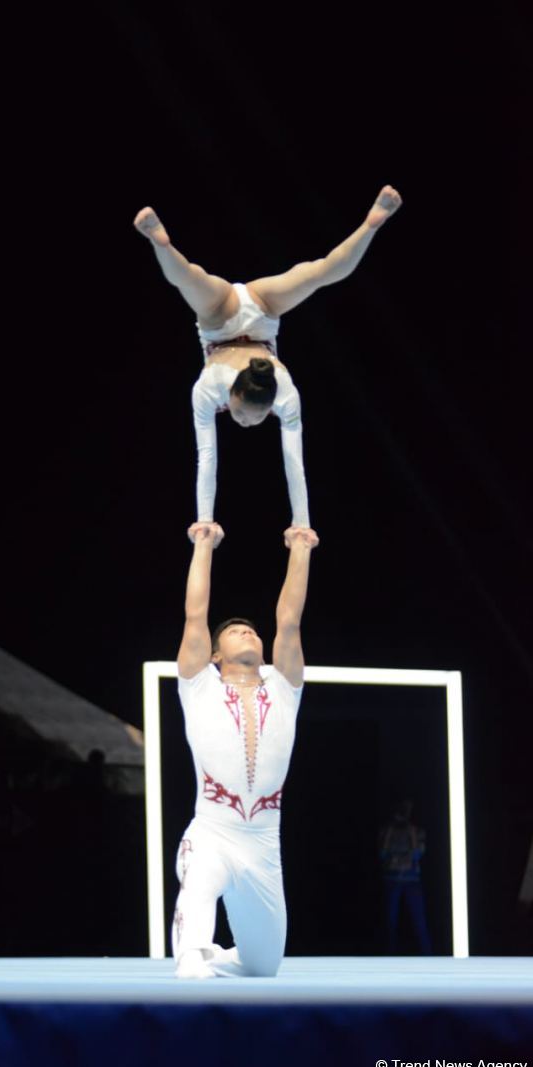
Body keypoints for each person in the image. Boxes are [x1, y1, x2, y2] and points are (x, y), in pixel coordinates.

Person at [134, 187, 402, 529]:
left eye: (243, 417)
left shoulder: (212, 391)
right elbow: (291, 462)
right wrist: (301, 524)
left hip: (222, 319)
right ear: (240, 397)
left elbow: (211, 459)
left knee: (191, 279)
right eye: (251, 418)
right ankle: (372, 225)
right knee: (315, 274)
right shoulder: (275, 393)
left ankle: (162, 245)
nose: (244, 422)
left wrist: (205, 520)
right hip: (257, 316)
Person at [172, 519, 319, 978]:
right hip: (212, 835)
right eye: (235, 632)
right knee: (192, 966)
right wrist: (203, 545)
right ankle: (192, 953)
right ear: (214, 655)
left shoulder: (284, 687)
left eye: (252, 631)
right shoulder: (199, 686)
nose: (248, 633)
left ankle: (216, 955)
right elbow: (196, 616)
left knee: (263, 967)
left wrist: (301, 548)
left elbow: (289, 620)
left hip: (261, 844)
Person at [379, 798, 432, 955]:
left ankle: (428, 955)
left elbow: (417, 855)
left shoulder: (417, 831)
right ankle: (390, 956)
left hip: (411, 880)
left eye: (407, 809)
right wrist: (389, 833)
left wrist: (411, 833)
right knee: (390, 922)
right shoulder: (386, 831)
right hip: (392, 879)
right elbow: (382, 854)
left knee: (419, 921)